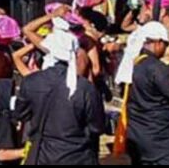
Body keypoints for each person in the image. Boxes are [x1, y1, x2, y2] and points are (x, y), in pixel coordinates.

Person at [14, 26, 105, 165]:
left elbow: (21, 114)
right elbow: (96, 127)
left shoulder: (31, 82)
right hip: (78, 156)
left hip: (42, 155)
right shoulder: (85, 88)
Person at [124, 21, 169, 165]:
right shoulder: (158, 68)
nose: (165, 49)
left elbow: (150, 88)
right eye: (165, 44)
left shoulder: (137, 63)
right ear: (157, 42)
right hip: (161, 142)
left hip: (138, 138)